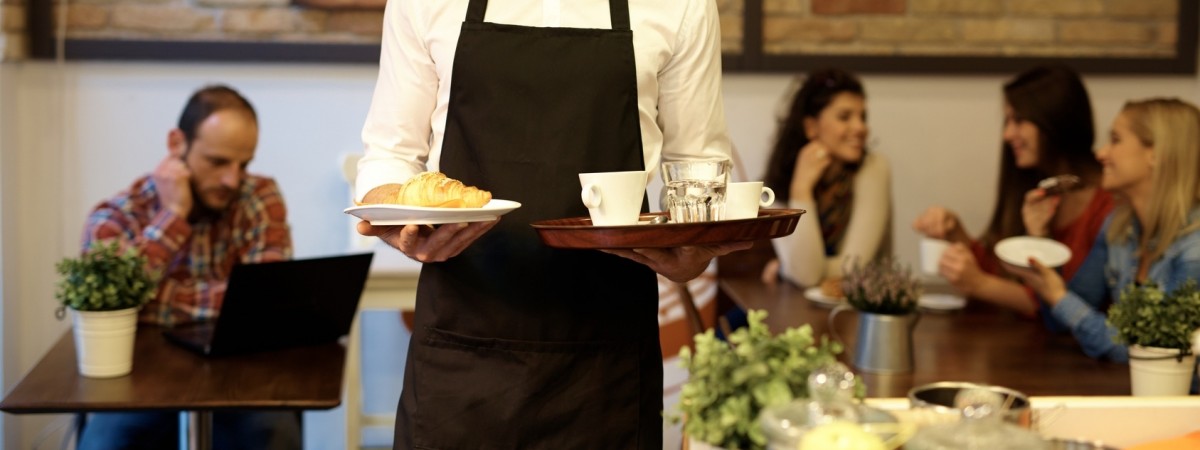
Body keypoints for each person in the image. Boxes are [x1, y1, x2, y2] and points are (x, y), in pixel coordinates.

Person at [353, 1, 748, 448]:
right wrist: (389, 212)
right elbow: (389, 153)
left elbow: (697, 165)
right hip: (460, 346)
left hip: (608, 361)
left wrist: (692, 251)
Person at [76, 85, 298, 450]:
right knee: (104, 443)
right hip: (141, 382)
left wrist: (153, 303)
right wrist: (172, 216)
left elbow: (263, 305)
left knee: (274, 434)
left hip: (239, 378)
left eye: (243, 164)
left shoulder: (259, 196)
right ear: (177, 143)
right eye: (217, 162)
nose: (233, 179)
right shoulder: (113, 217)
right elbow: (108, 307)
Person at [912, 65, 1114, 317]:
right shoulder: (1036, 188)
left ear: (1055, 119)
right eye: (1007, 121)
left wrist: (978, 284)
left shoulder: (1107, 205)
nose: (1007, 134)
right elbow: (1006, 275)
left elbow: (1061, 305)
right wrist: (955, 232)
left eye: (1018, 120)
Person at [1012, 98, 1200, 362]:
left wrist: (1059, 296)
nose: (1101, 153)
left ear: (1156, 155)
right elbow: (1063, 322)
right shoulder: (1119, 226)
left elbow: (1153, 353)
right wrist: (1041, 240)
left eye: (1115, 140)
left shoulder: (1195, 248)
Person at [761, 68, 891, 289]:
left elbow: (853, 269)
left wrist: (787, 268)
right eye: (844, 117)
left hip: (857, 307)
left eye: (862, 116)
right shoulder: (781, 181)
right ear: (811, 127)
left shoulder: (873, 169)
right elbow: (806, 276)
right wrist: (801, 190)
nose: (860, 127)